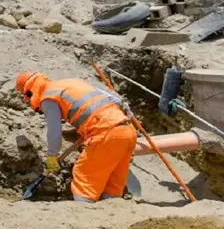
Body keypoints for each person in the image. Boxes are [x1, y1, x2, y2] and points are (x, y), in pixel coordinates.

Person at [15, 71, 138, 203]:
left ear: (29, 92)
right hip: (127, 130)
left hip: (107, 133)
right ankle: (112, 208)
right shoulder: (72, 83)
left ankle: (83, 209)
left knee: (83, 177)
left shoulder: (48, 97)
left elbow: (54, 132)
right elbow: (116, 100)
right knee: (113, 183)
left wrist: (52, 158)